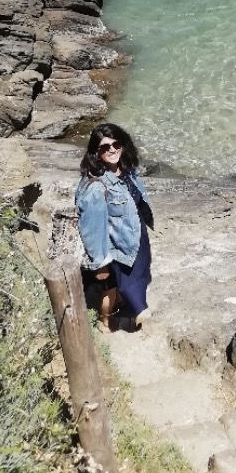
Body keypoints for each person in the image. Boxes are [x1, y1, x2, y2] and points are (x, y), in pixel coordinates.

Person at [76, 122, 154, 331]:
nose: (111, 149)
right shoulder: (96, 187)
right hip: (115, 246)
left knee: (135, 279)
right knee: (109, 287)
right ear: (95, 152)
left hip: (133, 238)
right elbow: (92, 229)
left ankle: (124, 304)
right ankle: (105, 320)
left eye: (115, 144)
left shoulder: (126, 170)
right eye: (104, 147)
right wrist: (100, 263)